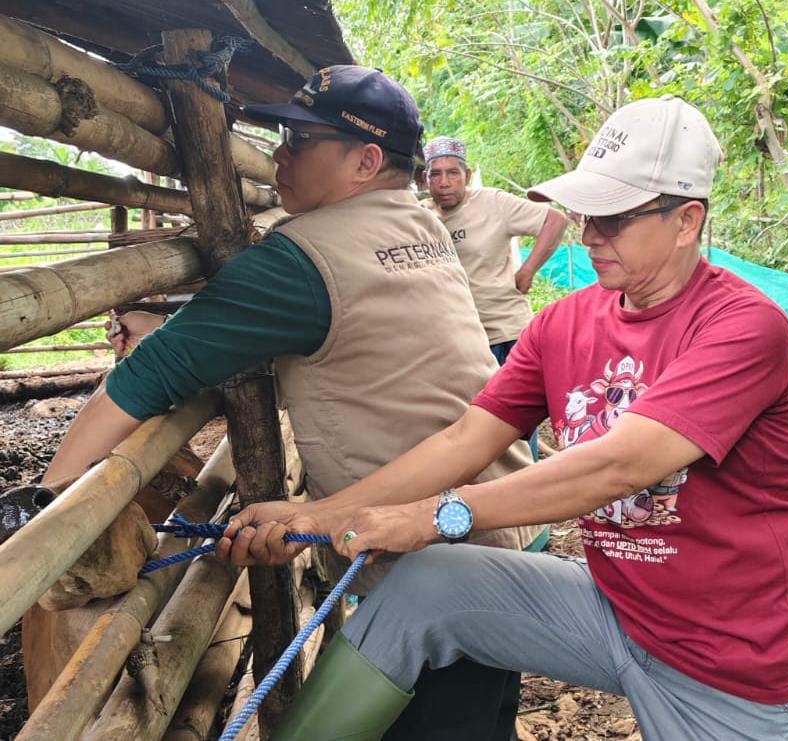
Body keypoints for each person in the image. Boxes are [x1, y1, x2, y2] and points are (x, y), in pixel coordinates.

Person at [219, 95, 788, 741]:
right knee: (426, 586)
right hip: (617, 609)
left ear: (686, 220)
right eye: (586, 213)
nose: (590, 234)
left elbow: (622, 464)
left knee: (429, 550)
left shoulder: (743, 326)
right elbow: (465, 436)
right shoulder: (564, 322)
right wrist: (321, 514)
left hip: (729, 662)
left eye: (614, 218)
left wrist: (434, 515)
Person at [39, 65, 547, 741]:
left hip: (437, 567)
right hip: (499, 516)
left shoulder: (300, 259)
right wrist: (175, 319)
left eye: (300, 140)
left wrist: (48, 503)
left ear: (366, 160)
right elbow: (339, 314)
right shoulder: (418, 224)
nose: (279, 153)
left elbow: (147, 378)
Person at [422, 136, 567, 366]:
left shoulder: (492, 203)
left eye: (453, 173)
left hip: (506, 333)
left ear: (467, 176)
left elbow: (555, 221)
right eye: (435, 174)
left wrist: (527, 271)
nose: (444, 182)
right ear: (425, 179)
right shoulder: (421, 215)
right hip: (457, 339)